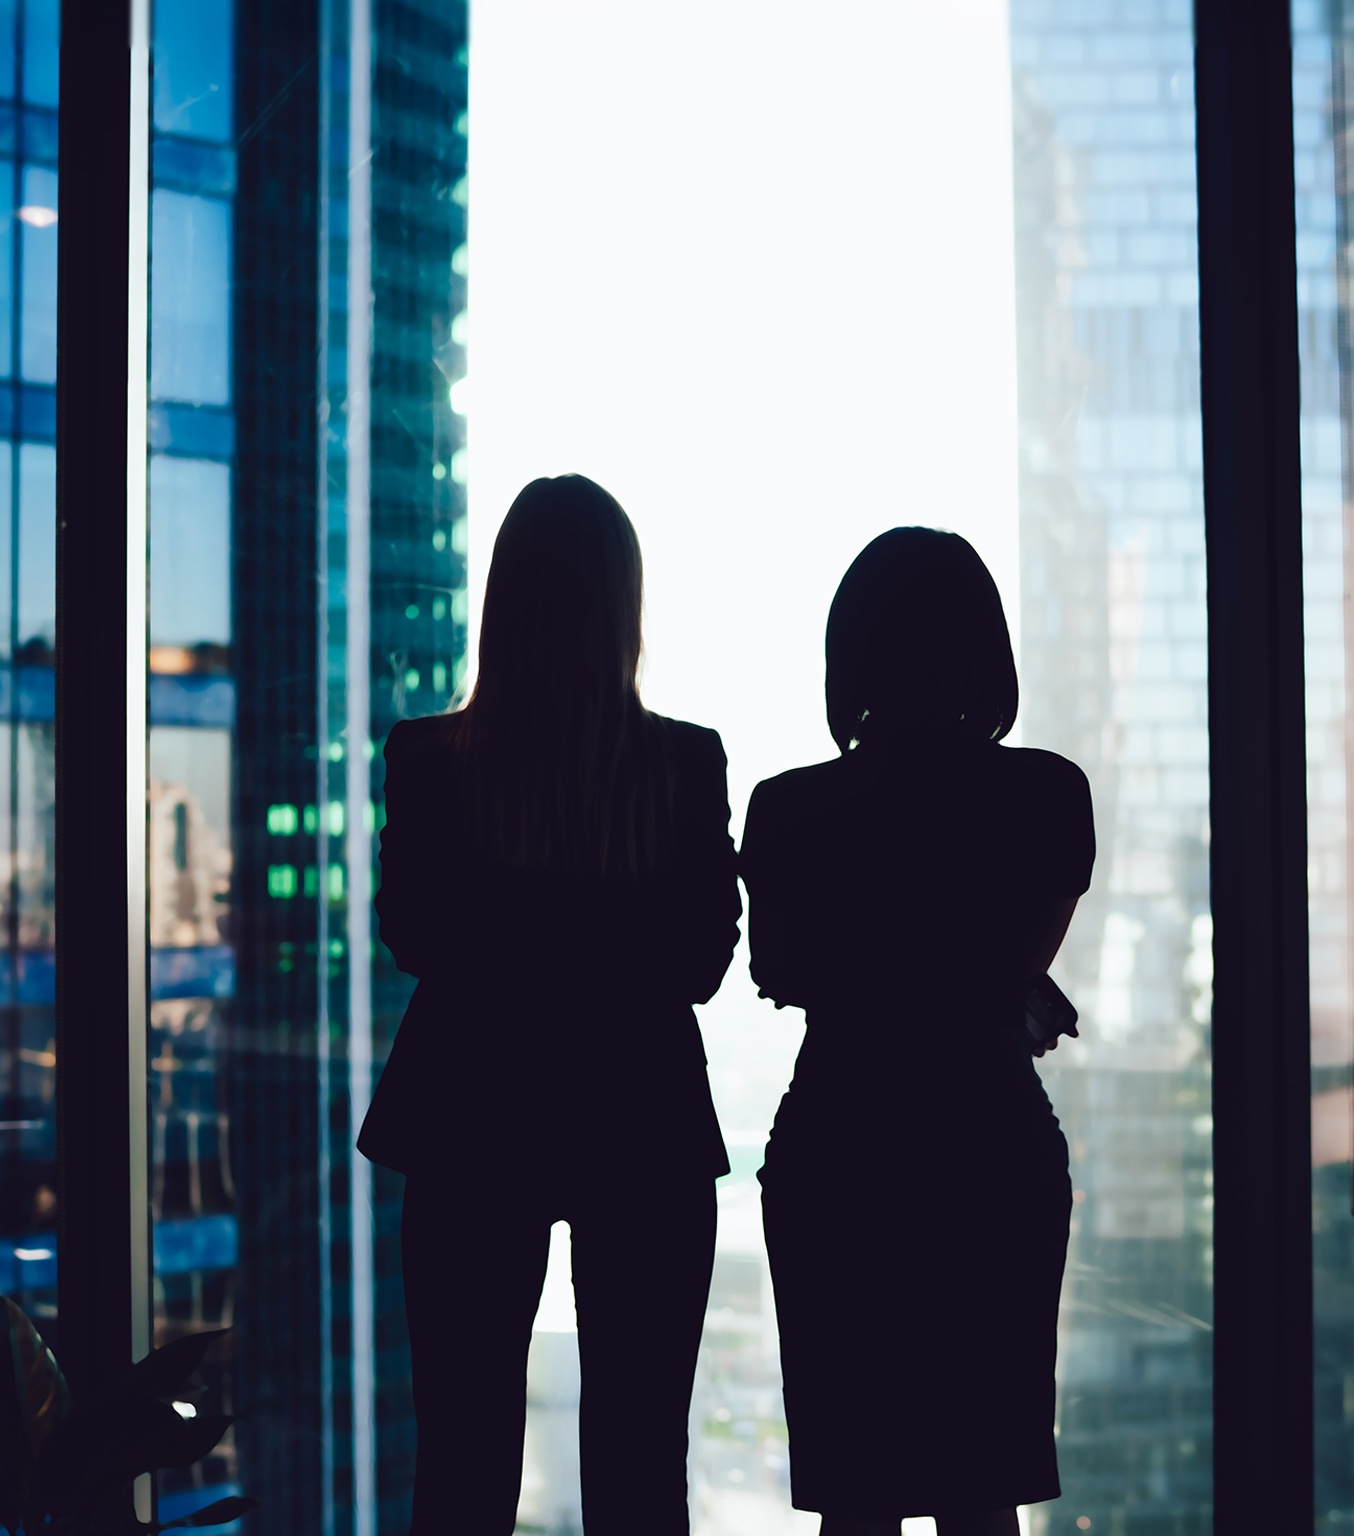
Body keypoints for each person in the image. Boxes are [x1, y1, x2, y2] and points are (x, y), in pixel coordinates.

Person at [358, 474, 741, 1535]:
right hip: (645, 1125)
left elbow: (415, 937)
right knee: (639, 1473)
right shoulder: (682, 762)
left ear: (505, 600)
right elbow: (704, 959)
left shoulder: (431, 761)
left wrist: (517, 934)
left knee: (462, 1466)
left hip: (471, 1121)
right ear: (626, 603)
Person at [740, 527, 1095, 1536]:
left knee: (858, 1493)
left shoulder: (789, 810)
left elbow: (787, 972)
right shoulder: (1046, 795)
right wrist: (999, 986)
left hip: (841, 1147)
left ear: (853, 651)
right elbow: (1000, 967)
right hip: (990, 1143)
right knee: (982, 1491)